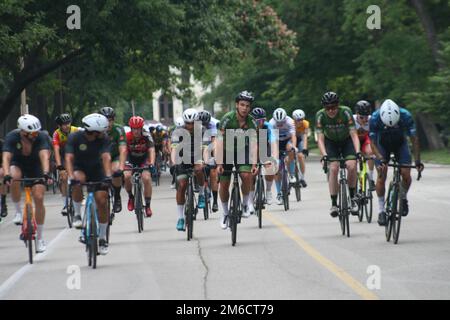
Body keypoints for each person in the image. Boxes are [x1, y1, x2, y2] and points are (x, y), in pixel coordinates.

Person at [369, 99, 424, 226]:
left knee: (406, 174)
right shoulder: (375, 117)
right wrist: (380, 158)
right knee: (381, 174)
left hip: (400, 144)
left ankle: (403, 197)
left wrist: (417, 161)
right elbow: (372, 143)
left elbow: (415, 139)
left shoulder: (406, 115)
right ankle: (381, 210)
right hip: (382, 146)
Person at [2, 114, 51, 253]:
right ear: (23, 132)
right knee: (14, 176)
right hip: (18, 163)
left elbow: (44, 156)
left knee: (39, 197)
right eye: (32, 133)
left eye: (37, 132)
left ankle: (40, 238)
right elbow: (6, 157)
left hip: (36, 166)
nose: (36, 135)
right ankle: (18, 212)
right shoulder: (12, 137)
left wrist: (46, 172)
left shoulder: (41, 137)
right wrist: (6, 174)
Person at [65, 113, 112, 255]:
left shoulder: (104, 139)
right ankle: (78, 214)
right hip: (80, 168)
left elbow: (106, 157)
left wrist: (108, 175)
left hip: (97, 170)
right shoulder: (75, 137)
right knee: (77, 181)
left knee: (102, 200)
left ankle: (103, 237)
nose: (104, 132)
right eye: (102, 130)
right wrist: (70, 176)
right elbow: (68, 158)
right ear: (94, 130)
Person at [216, 91, 258, 229]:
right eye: (242, 105)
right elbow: (219, 141)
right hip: (227, 150)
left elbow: (254, 143)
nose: (244, 108)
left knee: (246, 176)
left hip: (242, 150)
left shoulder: (251, 121)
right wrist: (220, 163)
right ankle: (226, 213)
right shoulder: (227, 119)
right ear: (237, 105)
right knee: (224, 183)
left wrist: (254, 163)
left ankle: (245, 204)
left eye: (247, 105)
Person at [316, 91, 361, 218]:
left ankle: (352, 198)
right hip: (331, 142)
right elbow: (320, 138)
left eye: (334, 107)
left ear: (338, 105)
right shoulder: (320, 115)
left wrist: (357, 152)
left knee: (351, 166)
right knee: (334, 169)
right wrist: (324, 154)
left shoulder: (345, 112)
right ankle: (334, 203)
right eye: (328, 108)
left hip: (346, 141)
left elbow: (353, 134)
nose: (331, 110)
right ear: (324, 108)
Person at [171, 108, 206, 231]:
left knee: (199, 169)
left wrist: (204, 160)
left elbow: (205, 148)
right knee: (181, 185)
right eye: (187, 123)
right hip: (182, 158)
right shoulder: (177, 132)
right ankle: (180, 218)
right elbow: (174, 149)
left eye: (192, 123)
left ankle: (202, 194)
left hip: (197, 156)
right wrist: (174, 162)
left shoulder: (202, 130)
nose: (190, 126)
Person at [124, 116, 156, 218]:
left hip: (144, 159)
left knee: (146, 178)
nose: (136, 131)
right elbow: (123, 151)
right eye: (134, 128)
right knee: (126, 176)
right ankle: (131, 197)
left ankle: (147, 205)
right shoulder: (127, 136)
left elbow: (151, 150)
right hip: (131, 158)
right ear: (131, 128)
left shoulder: (147, 136)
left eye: (138, 129)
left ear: (141, 128)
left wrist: (152, 163)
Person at [99, 106, 127, 213]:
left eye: (110, 120)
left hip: (115, 156)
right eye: (105, 121)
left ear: (113, 120)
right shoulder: (97, 131)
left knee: (115, 171)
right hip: (101, 158)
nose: (108, 124)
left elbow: (123, 149)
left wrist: (121, 168)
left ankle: (117, 197)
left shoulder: (118, 129)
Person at [52, 113, 79, 215]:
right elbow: (56, 149)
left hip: (75, 155)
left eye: (68, 123)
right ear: (59, 126)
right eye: (64, 124)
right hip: (63, 156)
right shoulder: (56, 134)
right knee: (63, 177)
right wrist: (59, 165)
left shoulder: (76, 130)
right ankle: (65, 204)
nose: (67, 125)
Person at [269, 108, 297, 205]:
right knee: (276, 168)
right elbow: (271, 139)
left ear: (285, 118)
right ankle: (279, 193)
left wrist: (294, 146)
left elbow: (293, 135)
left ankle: (292, 174)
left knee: (290, 148)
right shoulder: (271, 123)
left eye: (282, 122)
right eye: (278, 122)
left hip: (286, 140)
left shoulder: (290, 121)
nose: (280, 124)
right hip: (276, 141)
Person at [250, 107, 278, 205]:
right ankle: (251, 197)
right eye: (258, 121)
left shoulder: (268, 126)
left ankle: (268, 191)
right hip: (251, 150)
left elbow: (273, 142)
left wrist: (273, 158)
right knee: (250, 174)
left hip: (264, 148)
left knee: (270, 168)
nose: (260, 123)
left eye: (263, 120)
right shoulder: (248, 127)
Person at [198, 110, 220, 212]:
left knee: (213, 171)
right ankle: (200, 185)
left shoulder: (214, 124)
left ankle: (215, 201)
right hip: (201, 143)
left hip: (212, 143)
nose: (204, 125)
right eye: (202, 124)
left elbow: (214, 144)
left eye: (205, 124)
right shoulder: (195, 125)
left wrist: (215, 159)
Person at [353, 100, 376, 190]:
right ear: (357, 114)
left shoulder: (371, 120)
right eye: (362, 117)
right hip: (354, 141)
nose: (365, 120)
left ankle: (370, 178)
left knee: (370, 153)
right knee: (352, 161)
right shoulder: (351, 119)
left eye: (366, 117)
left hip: (365, 140)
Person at [292, 109, 309, 188]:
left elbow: (305, 137)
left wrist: (305, 148)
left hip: (300, 139)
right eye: (298, 120)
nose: (300, 121)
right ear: (294, 119)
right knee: (291, 157)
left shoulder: (305, 123)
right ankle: (293, 175)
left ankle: (302, 177)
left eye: (302, 119)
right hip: (291, 139)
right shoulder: (291, 124)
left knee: (301, 156)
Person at [0, 138, 7, 221]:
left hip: (1, 165)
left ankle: (3, 202)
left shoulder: (2, 143)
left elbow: (5, 160)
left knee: (2, 174)